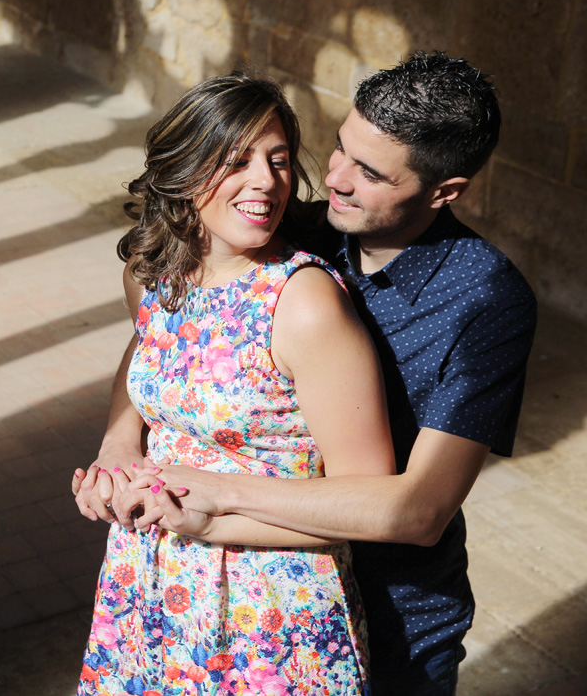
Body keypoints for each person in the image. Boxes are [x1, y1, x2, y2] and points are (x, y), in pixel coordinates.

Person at [98, 52, 538, 695]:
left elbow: (419, 510)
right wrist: (120, 437)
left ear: (444, 191)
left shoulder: (486, 299)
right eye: (339, 148)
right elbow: (164, 334)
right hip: (222, 585)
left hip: (396, 615)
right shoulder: (300, 224)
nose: (334, 179)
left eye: (370, 171)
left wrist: (218, 493)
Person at [73, 73, 397, 696]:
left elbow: (365, 500)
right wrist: (119, 445)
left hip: (270, 615)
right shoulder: (153, 276)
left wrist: (212, 514)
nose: (266, 182)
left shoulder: (303, 304)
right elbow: (145, 353)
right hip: (148, 591)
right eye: (236, 160)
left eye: (278, 161)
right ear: (183, 171)